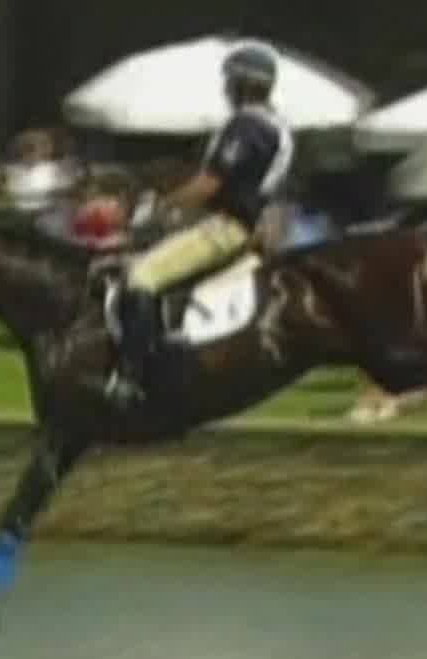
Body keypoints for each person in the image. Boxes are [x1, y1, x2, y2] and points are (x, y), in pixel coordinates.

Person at [108, 41, 295, 406]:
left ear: (240, 84)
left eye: (229, 82)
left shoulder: (248, 126)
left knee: (140, 277)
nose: (225, 89)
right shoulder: (278, 126)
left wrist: (160, 208)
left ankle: (135, 376)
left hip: (224, 228)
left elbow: (211, 183)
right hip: (243, 225)